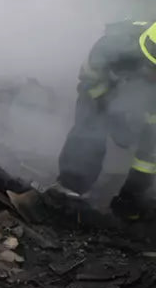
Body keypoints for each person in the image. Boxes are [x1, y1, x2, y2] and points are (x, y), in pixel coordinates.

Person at [54, 20, 156, 220]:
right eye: (152, 68)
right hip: (101, 93)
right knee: (91, 130)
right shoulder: (114, 45)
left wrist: (135, 188)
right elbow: (89, 78)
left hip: (137, 102)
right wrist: (108, 108)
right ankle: (70, 188)